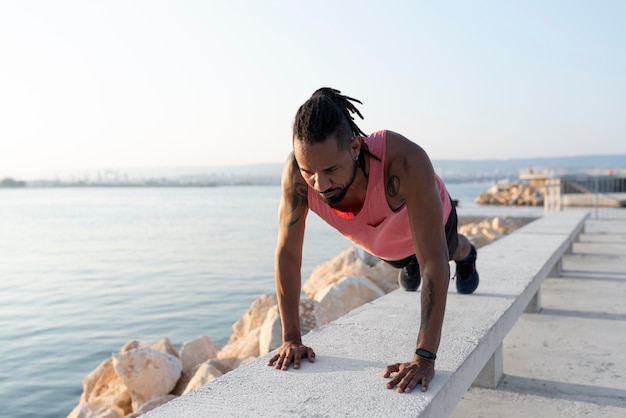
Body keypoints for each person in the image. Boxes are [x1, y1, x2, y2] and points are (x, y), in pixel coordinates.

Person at [267, 87, 479, 394]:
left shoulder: (404, 161)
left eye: (330, 170)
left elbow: (433, 262)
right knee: (401, 260)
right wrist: (291, 338)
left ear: (355, 147)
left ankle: (467, 253)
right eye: (309, 171)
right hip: (381, 241)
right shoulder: (297, 178)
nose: (320, 184)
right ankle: (409, 265)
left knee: (443, 253)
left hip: (433, 228)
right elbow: (288, 255)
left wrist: (424, 357)